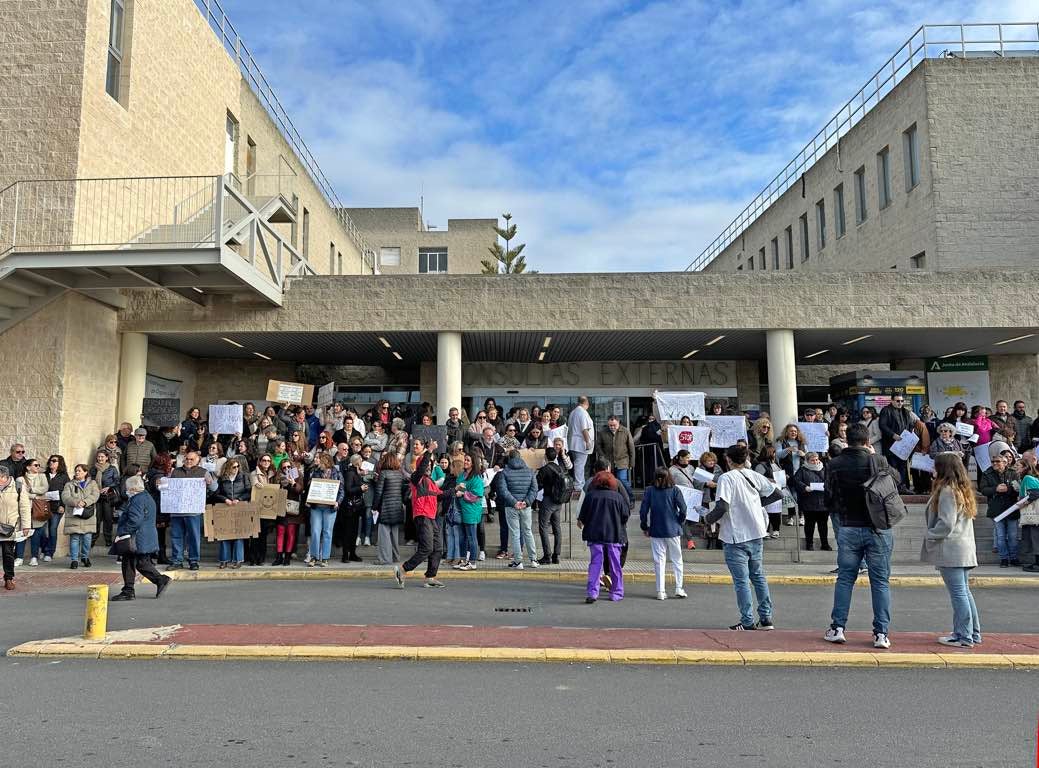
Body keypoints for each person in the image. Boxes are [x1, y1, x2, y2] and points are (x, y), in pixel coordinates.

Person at [823, 424, 897, 649]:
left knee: (845, 578)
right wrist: (875, 457)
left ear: (847, 441)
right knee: (880, 581)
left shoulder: (834, 464)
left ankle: (837, 627)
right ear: (867, 442)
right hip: (878, 527)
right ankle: (881, 633)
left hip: (848, 526)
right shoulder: (879, 461)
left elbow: (829, 496)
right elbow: (897, 482)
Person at [703, 444, 781, 630]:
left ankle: (747, 621)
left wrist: (707, 519)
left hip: (735, 535)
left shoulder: (726, 478)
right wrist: (754, 504)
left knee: (741, 581)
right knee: (758, 576)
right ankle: (766, 618)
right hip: (756, 532)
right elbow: (776, 493)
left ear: (728, 460)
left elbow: (722, 506)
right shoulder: (753, 474)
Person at [922, 453, 981, 647]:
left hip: (951, 550)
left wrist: (930, 534)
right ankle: (973, 633)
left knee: (959, 594)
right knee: (964, 592)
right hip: (963, 548)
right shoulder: (961, 489)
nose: (933, 469)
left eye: (936, 466)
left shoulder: (947, 491)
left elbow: (946, 523)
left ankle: (963, 636)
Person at [109, 476, 171, 601]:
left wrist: (123, 532)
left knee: (128, 562)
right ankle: (159, 580)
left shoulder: (136, 500)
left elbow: (135, 520)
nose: (126, 491)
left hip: (136, 538)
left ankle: (129, 590)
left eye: (127, 488)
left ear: (132, 488)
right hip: (145, 537)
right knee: (142, 563)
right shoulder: (147, 497)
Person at [394, 443, 444, 588]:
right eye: (426, 464)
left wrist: (455, 490)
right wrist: (429, 451)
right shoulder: (416, 478)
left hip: (431, 517)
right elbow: (422, 468)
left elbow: (440, 495)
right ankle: (403, 569)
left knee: (438, 547)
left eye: (430, 464)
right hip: (422, 516)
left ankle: (431, 577)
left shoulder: (431, 482)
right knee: (427, 548)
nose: (429, 466)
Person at [577, 466, 629, 603]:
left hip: (594, 534)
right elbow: (625, 516)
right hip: (614, 534)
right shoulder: (618, 497)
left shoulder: (590, 496)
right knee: (615, 564)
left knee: (595, 563)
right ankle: (616, 592)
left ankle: (592, 592)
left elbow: (584, 516)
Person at [639, 466, 688, 601]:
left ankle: (661, 590)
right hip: (673, 529)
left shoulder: (649, 491)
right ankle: (679, 587)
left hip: (656, 529)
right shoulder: (675, 490)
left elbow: (643, 510)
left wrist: (645, 526)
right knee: (677, 559)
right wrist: (679, 521)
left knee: (659, 560)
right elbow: (683, 509)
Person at [167, 451, 214, 571]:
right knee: (176, 536)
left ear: (198, 460)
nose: (188, 461)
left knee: (193, 536)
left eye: (191, 459)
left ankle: (194, 560)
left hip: (193, 511)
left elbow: (214, 488)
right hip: (176, 511)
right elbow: (168, 489)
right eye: (187, 459)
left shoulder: (203, 472)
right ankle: (177, 560)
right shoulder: (176, 472)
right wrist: (162, 483)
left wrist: (210, 482)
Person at [497, 449, 540, 569]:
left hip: (511, 506)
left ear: (509, 458)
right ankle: (533, 560)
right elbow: (534, 489)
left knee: (515, 533)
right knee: (528, 531)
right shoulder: (529, 471)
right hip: (526, 506)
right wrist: (526, 502)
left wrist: (514, 502)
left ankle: (518, 561)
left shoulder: (504, 472)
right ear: (520, 457)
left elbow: (503, 490)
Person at [979, 452, 1020, 568]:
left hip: (1011, 508)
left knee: (1013, 536)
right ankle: (1004, 559)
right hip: (996, 509)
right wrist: (995, 489)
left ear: (1005, 463)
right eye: (993, 462)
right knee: (1000, 536)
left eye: (997, 462)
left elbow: (1018, 488)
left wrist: (1007, 489)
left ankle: (1014, 558)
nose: (994, 464)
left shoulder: (1013, 473)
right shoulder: (987, 473)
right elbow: (983, 489)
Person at [306, 454, 342, 567]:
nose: (317, 462)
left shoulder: (337, 473)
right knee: (315, 531)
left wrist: (338, 502)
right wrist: (309, 498)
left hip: (330, 508)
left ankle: (325, 558)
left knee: (327, 532)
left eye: (320, 460)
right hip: (316, 507)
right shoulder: (315, 472)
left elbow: (341, 491)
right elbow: (311, 488)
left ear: (326, 461)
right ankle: (314, 556)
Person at [61, 464, 100, 569]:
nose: (77, 472)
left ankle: (85, 557)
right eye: (76, 471)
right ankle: (74, 560)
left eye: (79, 471)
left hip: (87, 514)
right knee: (74, 538)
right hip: (74, 514)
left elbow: (95, 495)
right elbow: (65, 496)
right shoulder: (69, 484)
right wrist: (75, 502)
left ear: (85, 472)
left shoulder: (92, 483)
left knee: (87, 538)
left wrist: (85, 502)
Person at [372, 452, 407, 565]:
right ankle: (395, 557)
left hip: (386, 507)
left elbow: (378, 492)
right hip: (397, 507)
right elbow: (402, 490)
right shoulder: (400, 474)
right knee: (394, 535)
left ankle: (385, 559)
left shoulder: (383, 474)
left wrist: (375, 507)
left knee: (384, 534)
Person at [0, 465, 31, 590]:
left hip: (9, 527)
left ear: (4, 477)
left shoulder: (18, 487)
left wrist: (26, 526)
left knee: (8, 554)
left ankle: (9, 578)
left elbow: (24, 508)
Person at [791, 452, 830, 551]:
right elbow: (796, 481)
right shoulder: (802, 470)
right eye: (812, 460)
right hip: (809, 502)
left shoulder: (824, 468)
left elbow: (829, 480)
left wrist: (826, 486)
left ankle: (824, 543)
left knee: (823, 525)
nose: (815, 462)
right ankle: (809, 544)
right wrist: (805, 487)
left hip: (823, 502)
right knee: (809, 525)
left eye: (816, 459)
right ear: (807, 461)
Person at [453, 452, 485, 571]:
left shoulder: (476, 477)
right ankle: (463, 560)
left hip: (471, 511)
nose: (465, 462)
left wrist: (463, 493)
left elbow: (477, 495)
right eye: (465, 459)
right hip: (461, 509)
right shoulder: (462, 475)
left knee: (472, 537)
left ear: (473, 463)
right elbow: (458, 486)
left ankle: (472, 562)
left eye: (468, 460)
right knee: (462, 537)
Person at [14, 457, 47, 567]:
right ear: (28, 467)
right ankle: (19, 557)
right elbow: (19, 494)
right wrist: (35, 496)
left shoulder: (42, 476)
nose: (38, 467)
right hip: (24, 509)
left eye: (38, 465)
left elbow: (44, 489)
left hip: (38, 510)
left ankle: (34, 557)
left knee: (36, 534)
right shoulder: (19, 479)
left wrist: (31, 490)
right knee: (22, 533)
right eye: (35, 465)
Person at [536, 447, 566, 565]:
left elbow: (537, 484)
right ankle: (556, 555)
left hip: (548, 500)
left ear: (545, 457)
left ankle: (547, 555)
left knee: (543, 527)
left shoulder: (544, 469)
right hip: (559, 502)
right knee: (557, 528)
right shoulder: (560, 468)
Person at [594, 416, 635, 499]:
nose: (612, 427)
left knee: (622, 480)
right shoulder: (603, 432)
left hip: (622, 460)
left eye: (614, 425)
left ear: (618, 423)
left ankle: (630, 498)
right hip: (608, 461)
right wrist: (603, 456)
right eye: (610, 425)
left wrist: (632, 463)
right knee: (609, 481)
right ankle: (613, 498)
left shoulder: (625, 431)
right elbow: (598, 445)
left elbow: (631, 447)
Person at [338, 454, 367, 563]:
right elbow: (348, 489)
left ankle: (352, 554)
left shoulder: (356, 472)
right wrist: (360, 488)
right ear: (356, 462)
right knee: (348, 531)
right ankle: (345, 555)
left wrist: (361, 488)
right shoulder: (350, 473)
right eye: (360, 460)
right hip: (349, 507)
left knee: (354, 531)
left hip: (356, 507)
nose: (361, 462)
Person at [41, 455, 70, 563]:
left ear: (60, 463)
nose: (51, 463)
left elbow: (67, 492)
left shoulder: (64, 476)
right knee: (41, 530)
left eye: (54, 461)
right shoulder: (43, 475)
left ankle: (49, 552)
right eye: (50, 461)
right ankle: (44, 548)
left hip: (57, 507)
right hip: (43, 506)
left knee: (52, 529)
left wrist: (63, 505)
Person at [92, 449, 120, 549]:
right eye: (99, 457)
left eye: (102, 457)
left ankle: (108, 539)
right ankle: (93, 539)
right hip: (96, 496)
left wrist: (109, 487)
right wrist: (95, 489)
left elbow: (117, 481)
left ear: (107, 458)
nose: (100, 459)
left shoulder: (112, 469)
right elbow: (90, 480)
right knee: (97, 519)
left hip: (108, 496)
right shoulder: (93, 469)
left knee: (108, 518)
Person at [1014, 457, 1039, 573]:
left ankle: (1036, 564)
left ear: (1025, 467)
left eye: (1018, 466)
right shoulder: (1027, 478)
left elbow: (1035, 493)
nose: (1015, 468)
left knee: (1034, 538)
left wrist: (1024, 502)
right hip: (1032, 516)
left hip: (1033, 515)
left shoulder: (1028, 478)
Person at [568, 396, 595, 489]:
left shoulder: (573, 412)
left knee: (579, 464)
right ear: (586, 403)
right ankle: (579, 484)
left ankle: (581, 483)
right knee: (580, 464)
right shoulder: (582, 412)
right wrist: (588, 442)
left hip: (574, 442)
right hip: (581, 443)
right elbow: (584, 429)